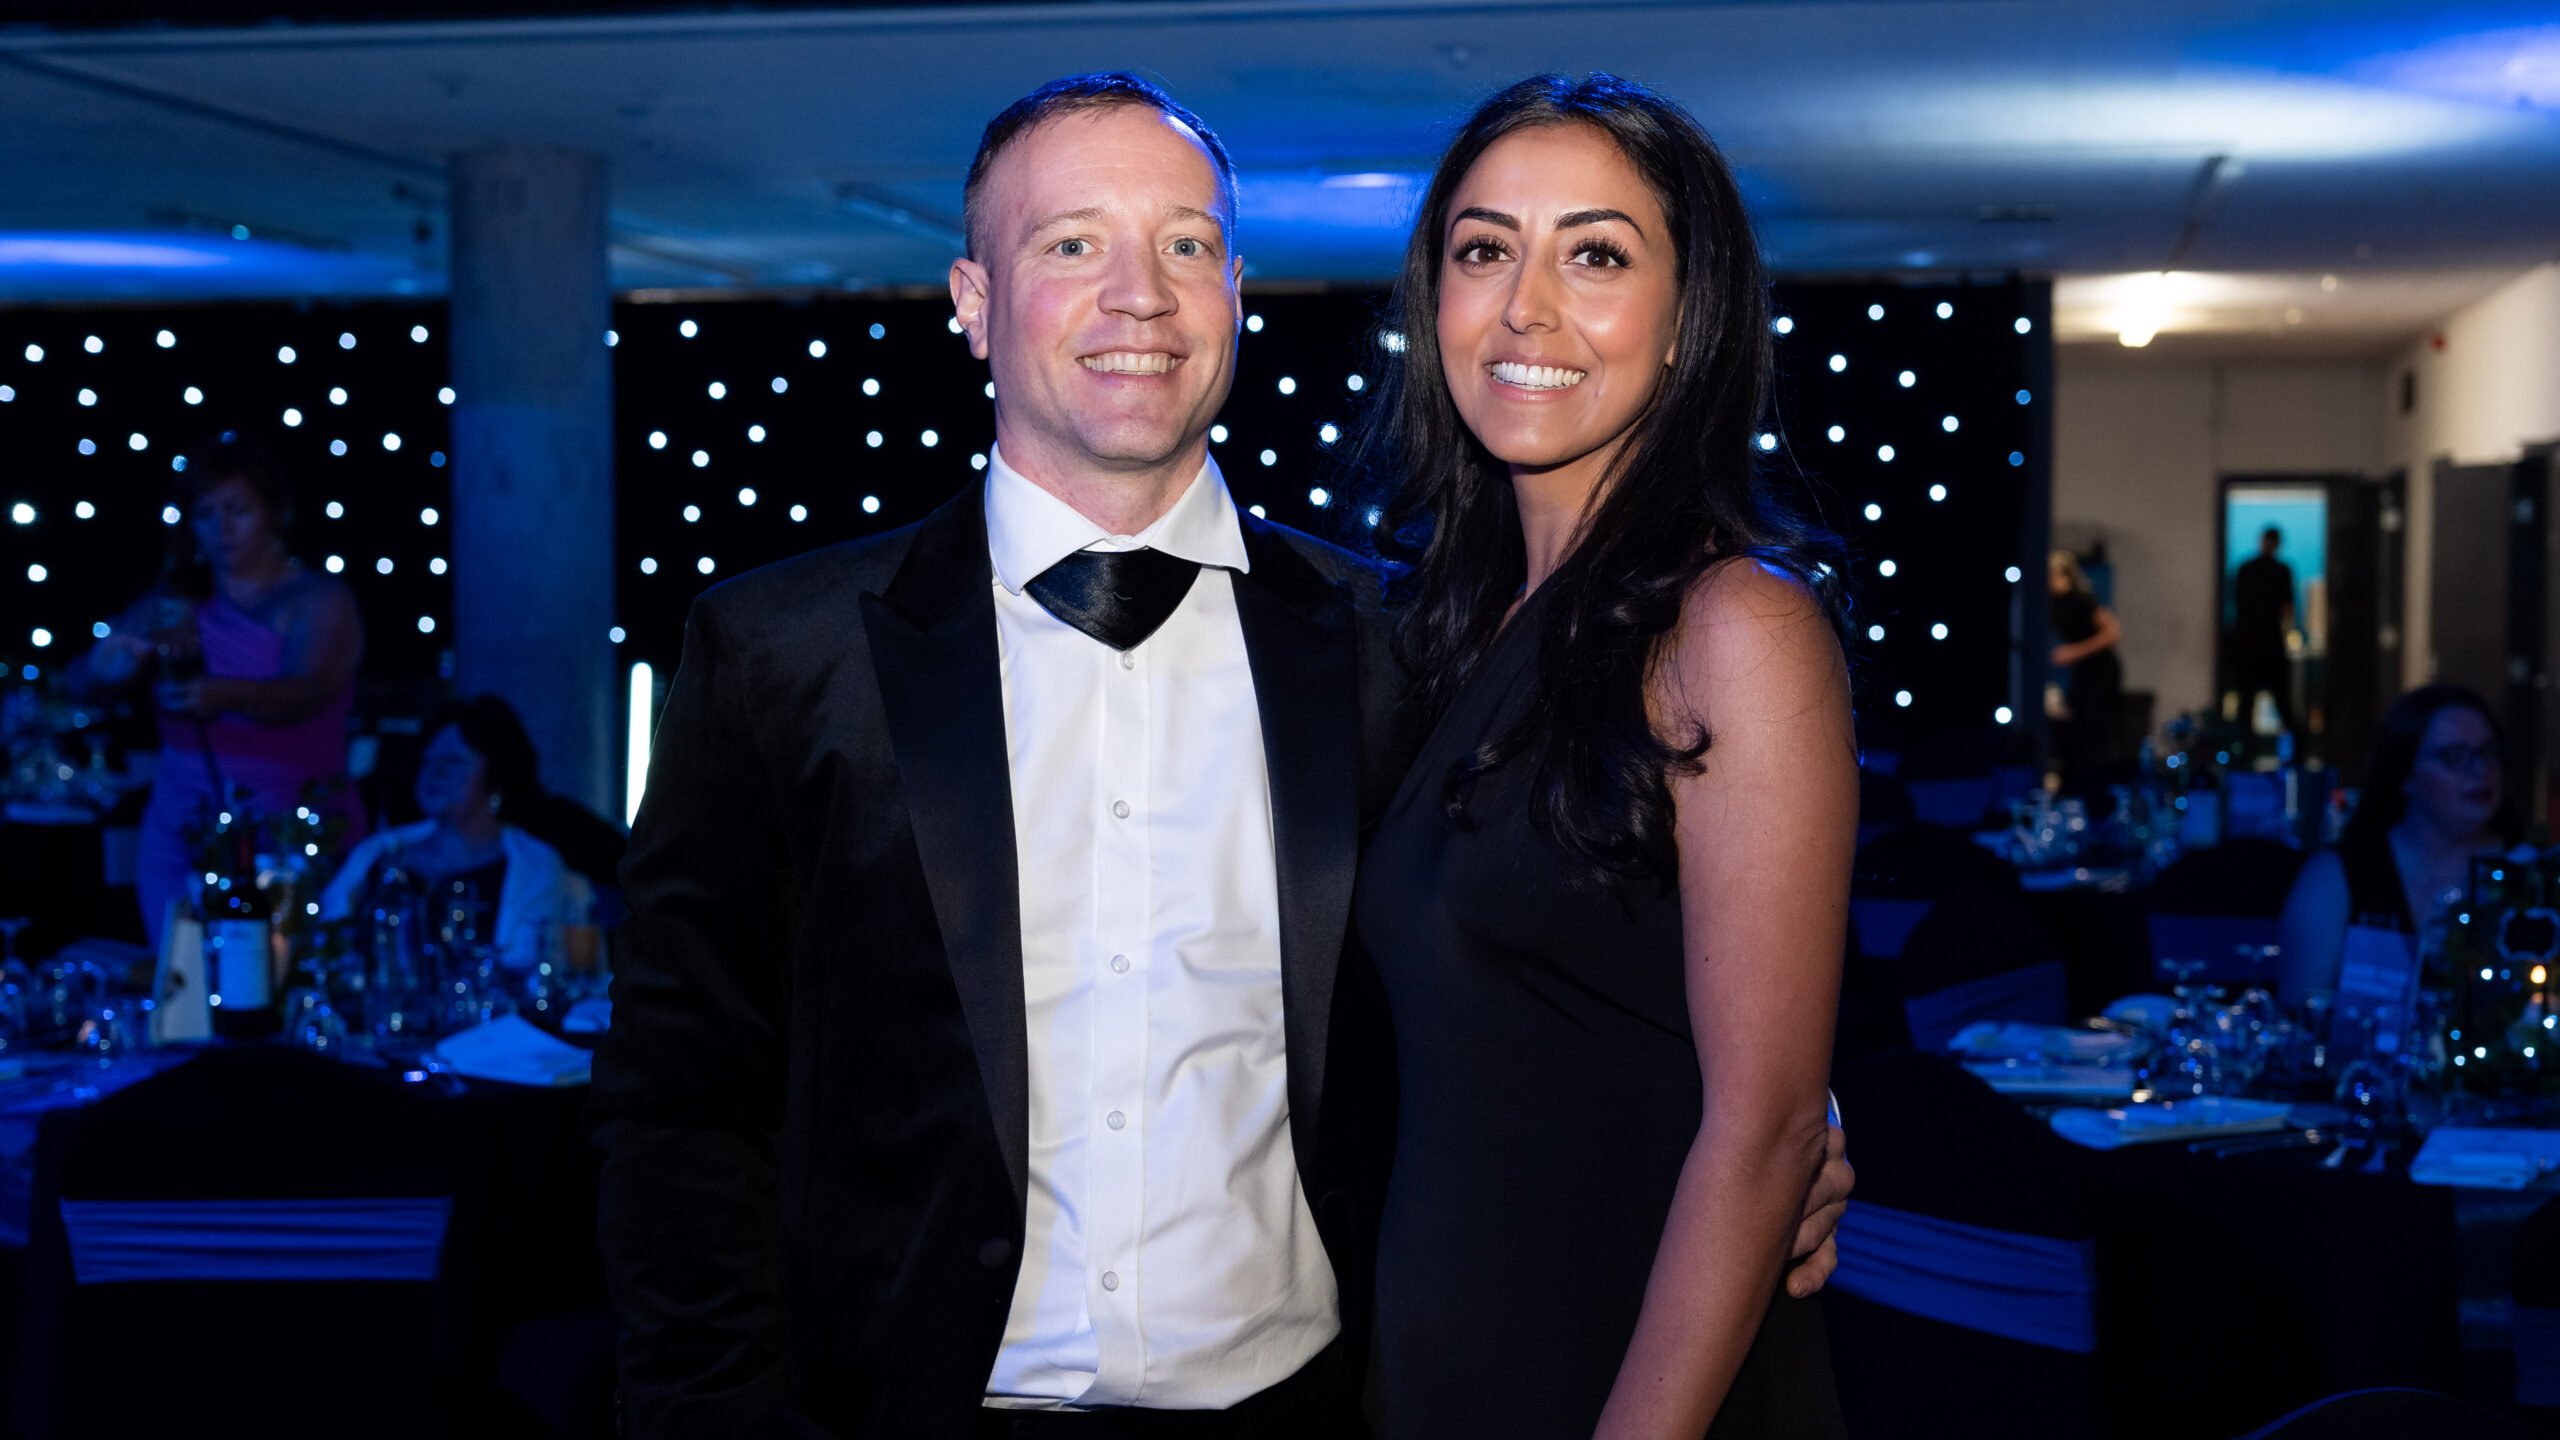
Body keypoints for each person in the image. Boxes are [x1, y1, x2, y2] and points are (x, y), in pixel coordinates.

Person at [590, 73, 1850, 1439]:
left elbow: (1562, 962)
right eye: (1073, 243)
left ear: (1235, 293)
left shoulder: (1396, 647)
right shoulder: (778, 655)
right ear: (972, 301)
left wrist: (1782, 1124)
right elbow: (681, 1112)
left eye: (1185, 244)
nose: (1139, 295)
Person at [1352, 74, 1850, 1437]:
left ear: (1688, 318)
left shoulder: (1734, 625)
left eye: (1596, 255)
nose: (1526, 306)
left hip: (1634, 1387)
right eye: (1483, 250)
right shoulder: (1439, 632)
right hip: (1440, 1373)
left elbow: (1764, 1127)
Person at [62, 431, 364, 956]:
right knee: (185, 970)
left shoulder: (318, 599)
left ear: (275, 513)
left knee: (286, 969)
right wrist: (104, 671)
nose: (222, 528)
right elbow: (78, 683)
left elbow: (310, 691)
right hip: (184, 820)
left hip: (290, 822)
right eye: (205, 514)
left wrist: (228, 696)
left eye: (237, 511)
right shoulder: (172, 604)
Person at [2279, 684, 2520, 997]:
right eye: (2455, 756)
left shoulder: (2531, 869)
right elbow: (2302, 1010)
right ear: (2404, 773)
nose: (2481, 770)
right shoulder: (2341, 875)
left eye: (2489, 752)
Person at [317, 695, 575, 971]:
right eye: (428, 761)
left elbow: (532, 967)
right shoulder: (377, 851)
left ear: (498, 773)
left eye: (453, 762)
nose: (435, 773)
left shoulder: (534, 864)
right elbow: (327, 940)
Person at [2047, 548, 2124, 774]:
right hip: (2082, 671)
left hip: (2101, 671)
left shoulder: (2082, 599)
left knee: (2095, 725)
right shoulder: (2053, 603)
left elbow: (2113, 633)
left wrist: (2074, 652)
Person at [2231, 525, 2297, 730]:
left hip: (2250, 642)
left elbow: (2237, 604)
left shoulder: (2247, 569)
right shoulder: (2280, 571)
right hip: (2269, 642)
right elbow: (2287, 609)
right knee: (2279, 698)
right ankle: (2294, 744)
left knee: (2247, 700)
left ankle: (2244, 744)